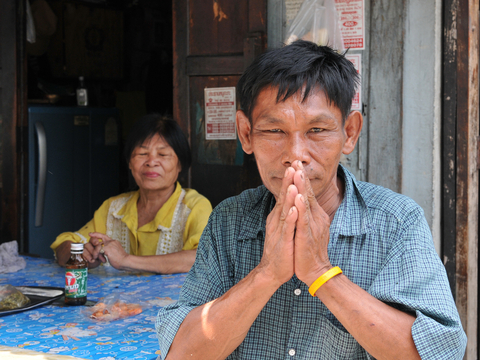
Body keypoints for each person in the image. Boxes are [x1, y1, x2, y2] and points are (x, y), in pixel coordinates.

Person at [155, 41, 467, 359]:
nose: (296, 156)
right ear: (246, 134)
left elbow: (442, 353)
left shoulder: (396, 222)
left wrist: (321, 272)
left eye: (317, 129)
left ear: (349, 132)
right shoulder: (229, 221)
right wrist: (266, 274)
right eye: (274, 130)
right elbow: (181, 353)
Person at [51, 114, 212, 274]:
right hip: (118, 300)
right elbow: (64, 245)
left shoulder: (194, 207)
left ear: (180, 165)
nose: (151, 162)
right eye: (142, 154)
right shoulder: (114, 208)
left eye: (162, 155)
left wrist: (126, 260)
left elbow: (201, 259)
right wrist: (81, 255)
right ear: (129, 162)